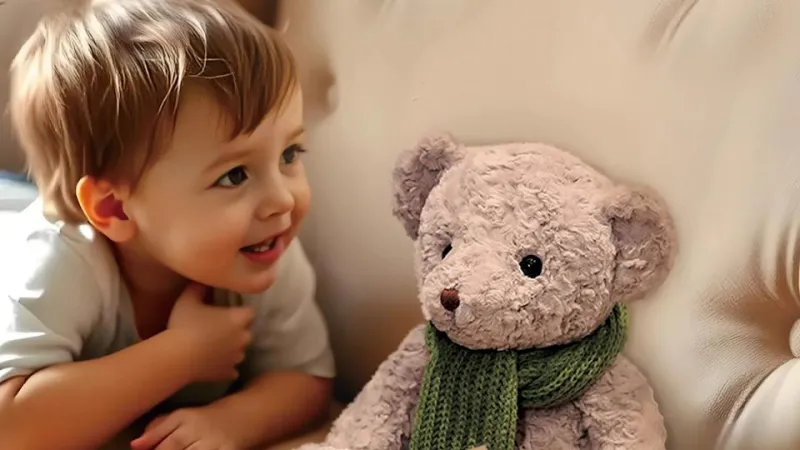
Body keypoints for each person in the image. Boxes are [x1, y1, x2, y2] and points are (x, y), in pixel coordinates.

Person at [0, 0, 335, 449]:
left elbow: (306, 377)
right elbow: (12, 426)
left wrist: (231, 422)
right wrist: (183, 353)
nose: (282, 201)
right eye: (234, 175)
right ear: (116, 210)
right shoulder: (61, 261)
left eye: (290, 154)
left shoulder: (264, 244)